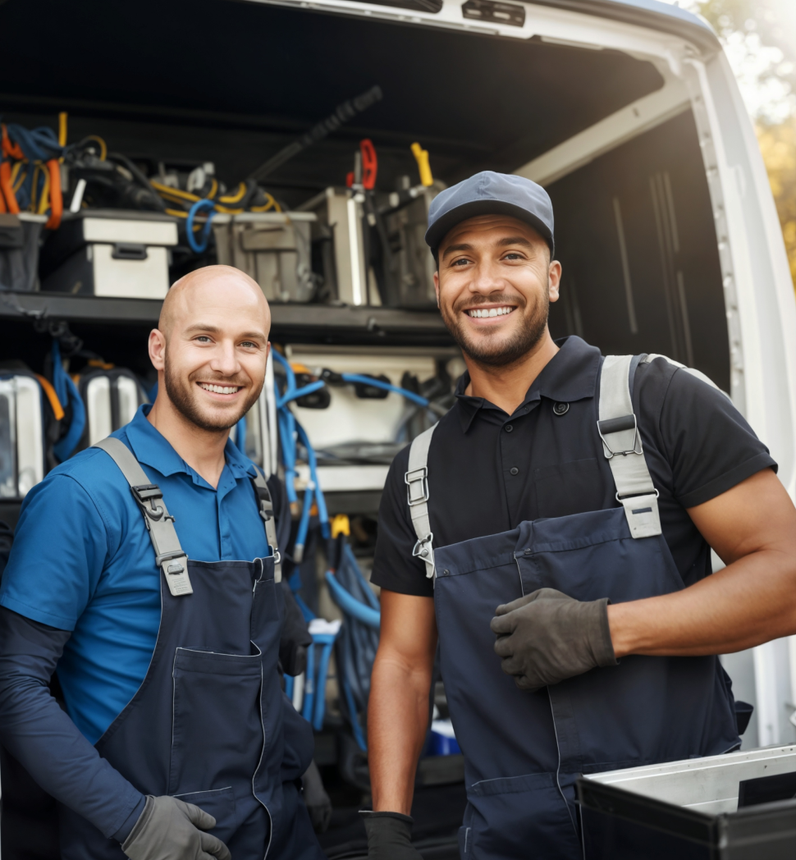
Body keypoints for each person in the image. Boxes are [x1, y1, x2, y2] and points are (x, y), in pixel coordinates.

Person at [362, 172, 796, 859]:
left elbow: (786, 578)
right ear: (440, 286)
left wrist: (606, 630)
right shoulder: (418, 471)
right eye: (460, 261)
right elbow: (404, 661)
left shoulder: (656, 399)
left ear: (553, 278)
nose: (484, 281)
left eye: (512, 254)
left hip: (674, 818)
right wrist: (389, 820)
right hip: (511, 836)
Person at [0, 265, 326, 860]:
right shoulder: (82, 496)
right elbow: (14, 686)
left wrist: (297, 758)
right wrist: (132, 821)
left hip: (276, 830)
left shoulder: (256, 489)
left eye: (247, 343)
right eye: (204, 338)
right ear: (159, 347)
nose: (227, 363)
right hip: (141, 842)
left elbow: (254, 662)